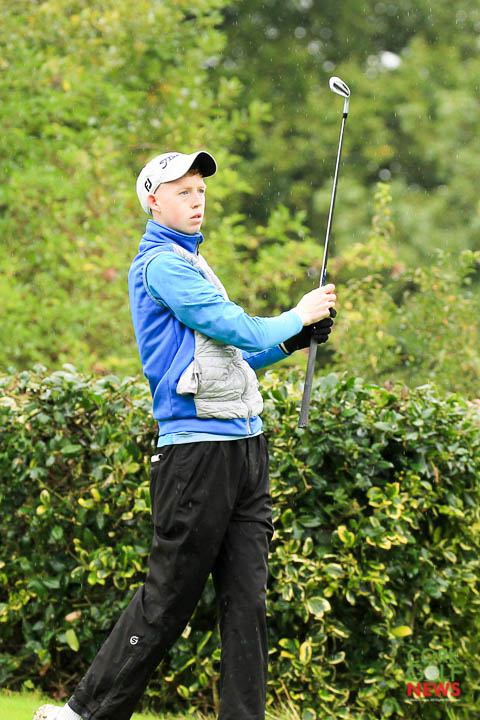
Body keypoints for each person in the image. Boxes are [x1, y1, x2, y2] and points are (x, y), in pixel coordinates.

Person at [34, 150, 336, 720]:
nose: (196, 201)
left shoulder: (195, 263)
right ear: (154, 202)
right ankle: (83, 715)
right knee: (169, 597)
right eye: (182, 192)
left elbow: (235, 358)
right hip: (196, 453)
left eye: (200, 191)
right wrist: (298, 314)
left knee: (247, 601)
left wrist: (292, 341)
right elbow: (234, 326)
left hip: (245, 447)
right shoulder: (161, 266)